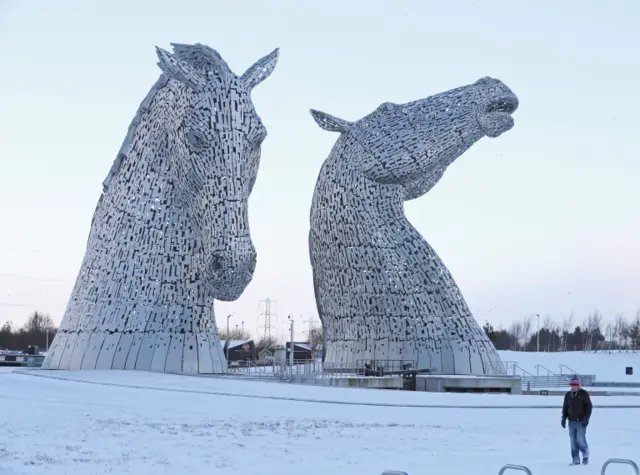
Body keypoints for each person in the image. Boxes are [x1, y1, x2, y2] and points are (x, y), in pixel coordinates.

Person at [561, 374, 593, 465]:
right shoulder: (568, 395)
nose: (573, 387)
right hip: (571, 421)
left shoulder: (584, 394)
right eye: (572, 385)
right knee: (573, 442)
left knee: (580, 440)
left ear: (578, 385)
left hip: (581, 421)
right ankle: (575, 460)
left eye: (575, 385)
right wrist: (563, 418)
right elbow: (565, 407)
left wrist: (586, 418)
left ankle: (585, 456)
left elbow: (589, 406)